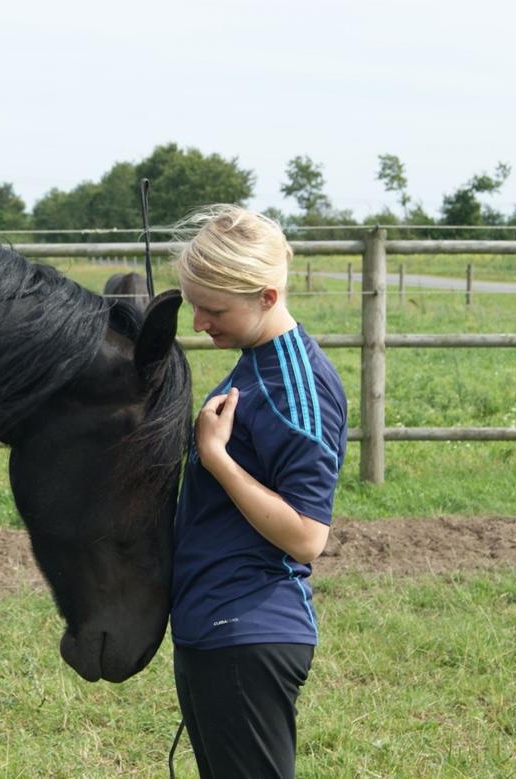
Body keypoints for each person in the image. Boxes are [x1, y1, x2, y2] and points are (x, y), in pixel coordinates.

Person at [169, 205, 347, 778]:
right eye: (195, 304)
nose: (198, 323)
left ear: (267, 297)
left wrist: (217, 458)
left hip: (248, 632)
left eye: (214, 309)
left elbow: (306, 536)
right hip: (214, 626)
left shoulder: (298, 388)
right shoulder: (255, 363)